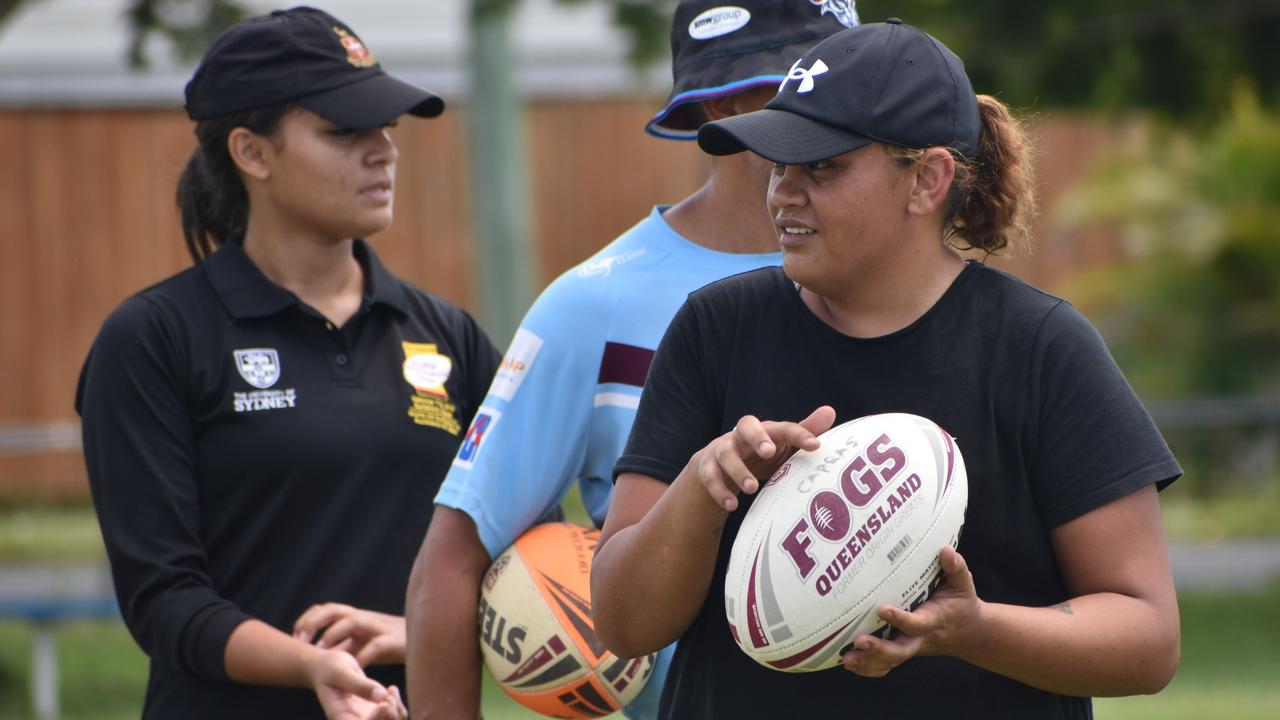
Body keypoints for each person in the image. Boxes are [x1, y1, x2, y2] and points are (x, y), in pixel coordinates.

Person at [591, 19, 1182, 720]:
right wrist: (701, 485)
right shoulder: (716, 329)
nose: (783, 193)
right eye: (780, 165)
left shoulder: (1040, 348)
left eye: (822, 166)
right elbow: (623, 626)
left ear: (926, 180)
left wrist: (975, 630)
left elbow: (1148, 639)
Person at [403, 2, 860, 717]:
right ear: (725, 103)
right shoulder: (595, 303)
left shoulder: (899, 274)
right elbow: (452, 560)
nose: (852, 106)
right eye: (814, 79)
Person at [75, 7, 499, 719]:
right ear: (252, 152)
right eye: (344, 130)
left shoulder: (448, 336)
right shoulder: (152, 340)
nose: (384, 150)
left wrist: (413, 633)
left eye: (387, 127)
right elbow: (162, 598)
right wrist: (308, 666)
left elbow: (534, 565)